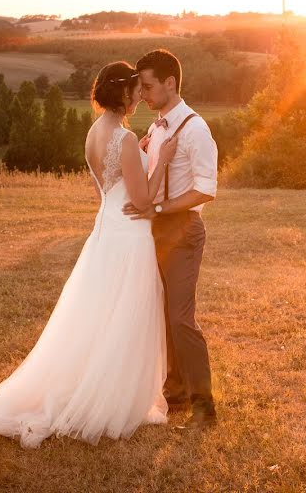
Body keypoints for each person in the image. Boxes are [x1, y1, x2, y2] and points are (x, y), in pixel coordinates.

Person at [0, 61, 178, 448]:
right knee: (123, 315)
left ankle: (90, 385)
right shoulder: (123, 138)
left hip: (105, 230)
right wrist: (163, 159)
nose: (141, 94)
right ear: (123, 93)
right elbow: (143, 199)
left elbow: (106, 189)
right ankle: (110, 398)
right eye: (136, 89)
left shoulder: (94, 132)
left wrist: (136, 158)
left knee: (98, 316)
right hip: (129, 237)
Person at [123, 49, 219, 428]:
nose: (142, 94)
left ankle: (204, 407)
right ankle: (174, 396)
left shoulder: (196, 129)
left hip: (182, 231)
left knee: (180, 319)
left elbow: (206, 190)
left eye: (147, 86)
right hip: (154, 233)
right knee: (161, 315)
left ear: (169, 83)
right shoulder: (155, 127)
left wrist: (160, 211)